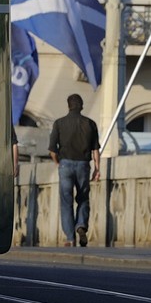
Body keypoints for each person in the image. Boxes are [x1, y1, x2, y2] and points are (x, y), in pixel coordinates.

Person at [48, 94, 100, 247]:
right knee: (83, 198)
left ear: (68, 105)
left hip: (65, 165)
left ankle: (70, 238)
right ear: (82, 106)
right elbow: (95, 150)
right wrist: (97, 168)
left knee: (66, 201)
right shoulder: (90, 124)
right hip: (83, 165)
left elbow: (52, 150)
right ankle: (81, 225)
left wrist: (58, 163)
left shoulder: (59, 123)